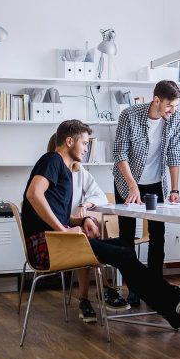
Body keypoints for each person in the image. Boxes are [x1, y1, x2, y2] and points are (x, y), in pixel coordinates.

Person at [22, 120, 180, 330]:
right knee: (123, 254)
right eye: (84, 143)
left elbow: (59, 214)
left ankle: (172, 302)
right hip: (48, 246)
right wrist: (63, 230)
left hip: (56, 242)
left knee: (124, 246)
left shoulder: (65, 171)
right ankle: (172, 305)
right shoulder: (52, 160)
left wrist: (82, 220)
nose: (87, 149)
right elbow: (33, 194)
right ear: (69, 141)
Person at [112, 80, 180, 306]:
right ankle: (134, 287)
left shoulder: (176, 119)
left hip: (156, 183)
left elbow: (174, 154)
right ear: (156, 100)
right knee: (127, 235)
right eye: (169, 105)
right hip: (127, 182)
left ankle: (154, 287)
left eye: (175, 106)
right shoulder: (130, 115)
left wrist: (174, 189)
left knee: (158, 234)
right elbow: (120, 153)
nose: (173, 110)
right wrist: (132, 185)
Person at [46, 134, 129, 323]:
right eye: (83, 144)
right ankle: (103, 290)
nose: (85, 149)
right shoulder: (49, 173)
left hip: (75, 226)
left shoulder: (79, 170)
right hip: (58, 233)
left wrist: (86, 205)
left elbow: (100, 195)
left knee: (91, 230)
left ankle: (89, 298)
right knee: (87, 238)